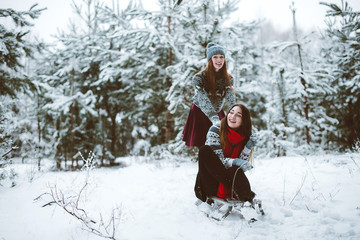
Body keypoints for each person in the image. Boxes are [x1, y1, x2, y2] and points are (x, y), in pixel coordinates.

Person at [194, 103, 257, 203]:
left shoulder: (244, 136)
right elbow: (218, 162)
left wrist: (247, 148)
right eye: (231, 113)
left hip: (229, 182)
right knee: (204, 150)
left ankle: (247, 200)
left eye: (238, 115)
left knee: (236, 169)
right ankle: (245, 195)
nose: (232, 116)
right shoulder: (215, 130)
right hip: (210, 183)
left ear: (244, 120)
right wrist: (235, 161)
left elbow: (241, 167)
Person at [182, 42, 236, 148]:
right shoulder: (199, 78)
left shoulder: (228, 79)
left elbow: (230, 98)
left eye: (221, 57)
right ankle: (203, 164)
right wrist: (213, 117)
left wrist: (236, 113)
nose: (219, 60)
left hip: (217, 110)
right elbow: (202, 99)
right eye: (215, 57)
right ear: (210, 59)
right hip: (200, 112)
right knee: (203, 145)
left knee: (220, 144)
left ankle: (216, 164)